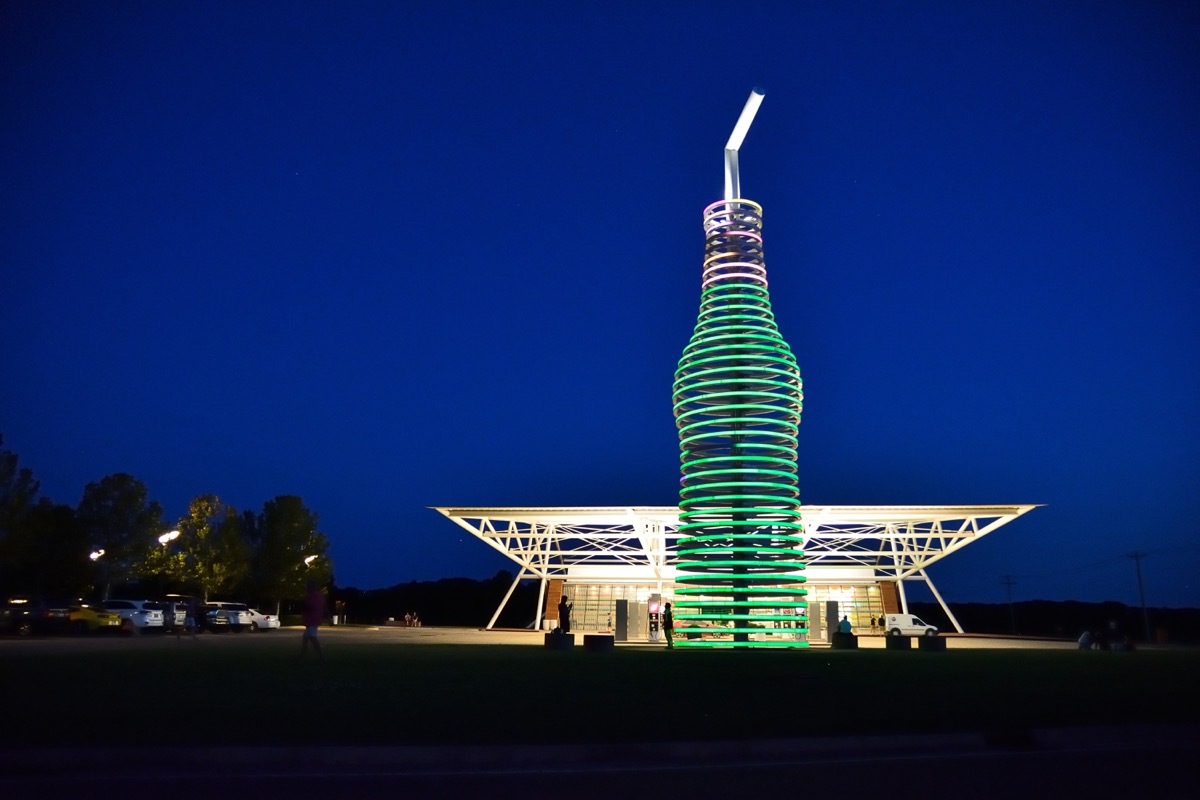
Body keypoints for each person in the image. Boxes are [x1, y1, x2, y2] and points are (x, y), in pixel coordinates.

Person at [300, 581, 325, 661]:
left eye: (308, 586)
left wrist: (305, 609)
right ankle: (301, 657)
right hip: (313, 620)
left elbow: (311, 607)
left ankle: (321, 656)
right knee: (305, 638)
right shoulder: (318, 596)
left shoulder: (313, 596)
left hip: (312, 620)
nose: (306, 588)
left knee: (312, 637)